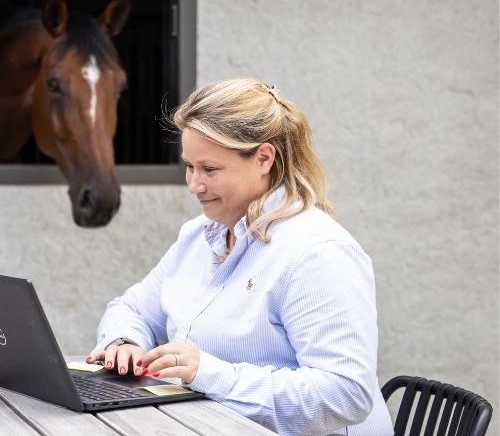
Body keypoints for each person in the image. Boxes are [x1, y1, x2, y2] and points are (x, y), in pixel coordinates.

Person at [87, 77, 394, 435]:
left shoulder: (317, 254)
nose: (194, 184)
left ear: (263, 158)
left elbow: (345, 394)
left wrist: (211, 374)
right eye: (189, 166)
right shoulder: (198, 237)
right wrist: (124, 343)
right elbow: (134, 310)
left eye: (210, 169)